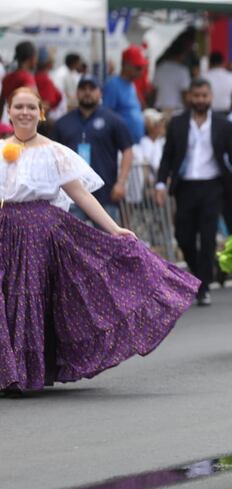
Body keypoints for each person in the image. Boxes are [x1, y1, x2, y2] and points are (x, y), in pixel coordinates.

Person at [0, 87, 199, 394]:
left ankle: (26, 373)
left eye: (30, 107)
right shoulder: (1, 150)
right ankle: (9, 372)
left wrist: (113, 228)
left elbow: (79, 193)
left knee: (31, 296)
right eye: (18, 107)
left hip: (42, 234)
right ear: (9, 111)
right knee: (8, 297)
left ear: (40, 113)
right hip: (7, 232)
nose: (24, 112)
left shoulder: (54, 152)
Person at [155, 78, 232, 306]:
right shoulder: (177, 123)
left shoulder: (224, 124)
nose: (200, 100)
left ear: (211, 97)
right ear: (189, 97)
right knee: (183, 237)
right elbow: (167, 156)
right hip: (185, 186)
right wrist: (160, 184)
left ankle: (203, 287)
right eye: (196, 96)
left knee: (207, 237)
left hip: (213, 185)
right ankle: (198, 275)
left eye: (204, 95)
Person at [51, 75, 134, 223]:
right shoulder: (62, 123)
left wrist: (121, 183)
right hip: (72, 195)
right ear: (76, 93)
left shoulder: (113, 120)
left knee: (107, 242)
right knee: (74, 243)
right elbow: (52, 157)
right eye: (83, 88)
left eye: (92, 88)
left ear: (100, 93)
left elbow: (127, 151)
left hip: (106, 194)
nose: (87, 92)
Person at [102, 46, 147, 143]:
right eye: (138, 67)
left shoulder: (131, 84)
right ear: (126, 65)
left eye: (142, 67)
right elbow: (106, 115)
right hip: (121, 145)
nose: (141, 71)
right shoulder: (113, 84)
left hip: (134, 144)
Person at [152, 45, 190, 115]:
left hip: (160, 109)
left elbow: (154, 90)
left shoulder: (160, 68)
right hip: (177, 110)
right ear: (181, 55)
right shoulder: (182, 70)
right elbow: (185, 93)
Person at [0, 41, 36, 110]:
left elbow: (1, 105)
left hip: (11, 118)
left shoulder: (7, 78)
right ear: (32, 58)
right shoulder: (27, 78)